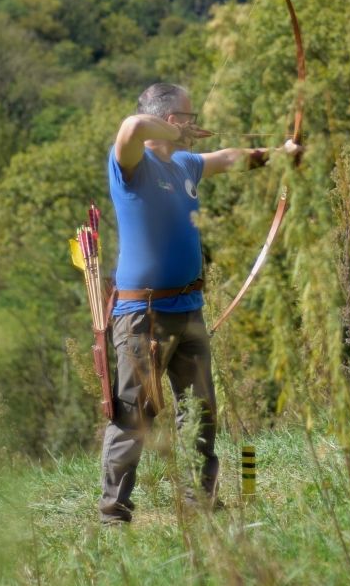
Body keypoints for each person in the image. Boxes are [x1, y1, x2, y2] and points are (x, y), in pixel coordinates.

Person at [100, 82, 299, 523]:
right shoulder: (132, 165)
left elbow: (229, 158)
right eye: (188, 118)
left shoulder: (186, 164)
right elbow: (132, 126)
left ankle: (200, 504)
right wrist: (172, 134)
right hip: (142, 317)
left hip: (187, 310)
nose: (195, 125)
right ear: (171, 121)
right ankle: (114, 515)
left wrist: (279, 153)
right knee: (134, 415)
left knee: (201, 412)